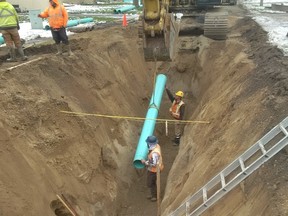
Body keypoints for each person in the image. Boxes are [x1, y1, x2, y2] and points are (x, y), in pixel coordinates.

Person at [141, 135, 164, 202]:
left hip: (154, 170)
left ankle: (154, 196)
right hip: (156, 168)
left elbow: (154, 164)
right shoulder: (157, 146)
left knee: (151, 183)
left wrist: (145, 162)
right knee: (152, 182)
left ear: (150, 143)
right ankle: (153, 194)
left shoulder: (154, 153)